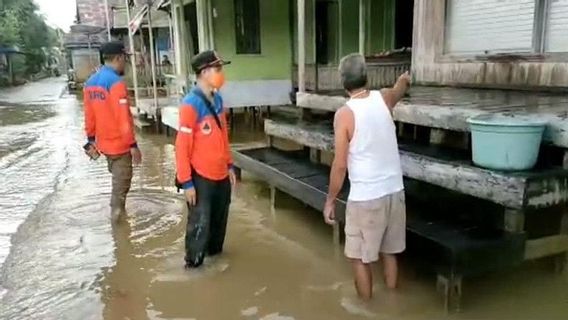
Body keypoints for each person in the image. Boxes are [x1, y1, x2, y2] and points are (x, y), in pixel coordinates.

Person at [323, 53, 411, 300]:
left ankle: (367, 309)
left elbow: (340, 166)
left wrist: (330, 201)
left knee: (358, 257)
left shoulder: (345, 114)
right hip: (395, 192)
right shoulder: (383, 98)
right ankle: (393, 304)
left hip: (366, 199)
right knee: (390, 252)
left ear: (342, 82)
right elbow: (399, 89)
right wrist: (405, 79)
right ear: (366, 77)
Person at [175, 50, 237, 269]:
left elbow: (223, 136)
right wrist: (187, 183)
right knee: (199, 228)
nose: (222, 74)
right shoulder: (190, 104)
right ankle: (193, 268)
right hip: (201, 177)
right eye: (218, 69)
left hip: (221, 175)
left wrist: (229, 165)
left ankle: (216, 268)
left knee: (218, 228)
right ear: (204, 72)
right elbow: (182, 146)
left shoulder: (218, 99)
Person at [83, 41, 142, 223]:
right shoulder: (116, 83)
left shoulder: (90, 82)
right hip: (120, 146)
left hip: (103, 145)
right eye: (125, 59)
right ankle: (119, 231)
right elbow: (123, 118)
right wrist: (133, 145)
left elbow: (89, 115)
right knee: (121, 188)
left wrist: (91, 139)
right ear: (119, 58)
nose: (125, 63)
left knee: (118, 183)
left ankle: (118, 219)